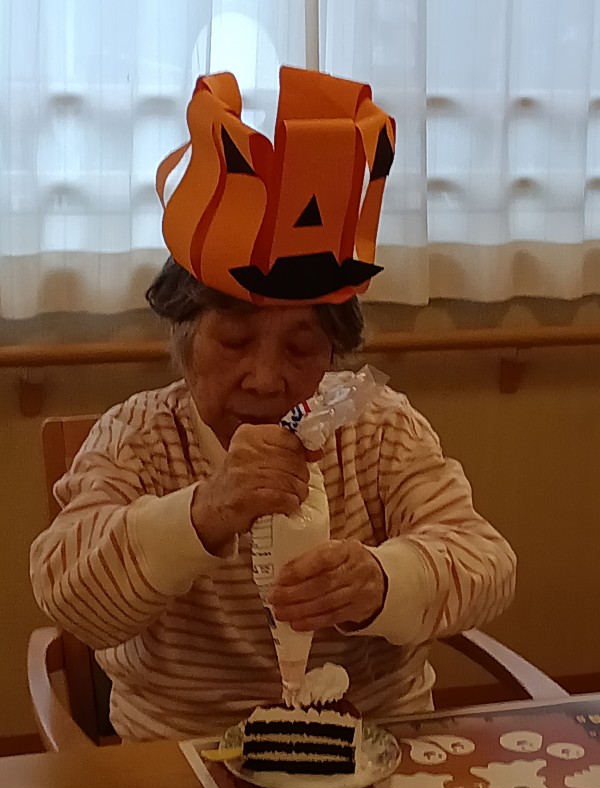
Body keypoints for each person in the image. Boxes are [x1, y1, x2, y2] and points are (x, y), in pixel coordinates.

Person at [30, 67, 516, 742]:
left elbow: (486, 563)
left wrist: (381, 582)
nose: (264, 379)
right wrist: (204, 511)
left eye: (301, 348)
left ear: (333, 352)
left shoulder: (377, 429)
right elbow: (69, 594)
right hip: (184, 752)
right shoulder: (137, 438)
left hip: (371, 745)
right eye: (233, 341)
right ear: (183, 341)